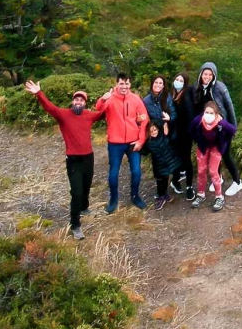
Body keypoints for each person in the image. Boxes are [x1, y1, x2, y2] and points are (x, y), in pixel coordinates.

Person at [24, 80, 103, 240]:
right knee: (76, 192)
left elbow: (103, 113)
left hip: (89, 158)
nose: (78, 101)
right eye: (76, 99)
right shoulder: (64, 114)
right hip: (73, 161)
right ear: (72, 101)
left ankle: (84, 207)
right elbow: (49, 107)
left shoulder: (89, 115)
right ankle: (75, 225)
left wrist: (110, 97)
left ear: (85, 103)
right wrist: (39, 93)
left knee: (86, 186)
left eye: (81, 100)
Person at [95, 72, 150, 211]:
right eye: (121, 83)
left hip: (133, 142)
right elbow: (98, 110)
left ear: (130, 84)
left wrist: (141, 140)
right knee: (114, 172)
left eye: (126, 83)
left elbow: (145, 120)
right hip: (115, 143)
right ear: (117, 84)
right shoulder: (110, 98)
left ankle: (135, 196)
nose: (124, 86)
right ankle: (113, 200)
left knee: (136, 171)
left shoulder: (136, 99)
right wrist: (102, 99)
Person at [196, 62, 242, 196]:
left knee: (226, 154)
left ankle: (237, 182)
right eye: (205, 74)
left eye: (210, 74)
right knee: (214, 153)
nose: (207, 76)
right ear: (201, 74)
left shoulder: (219, 87)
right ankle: (219, 177)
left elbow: (229, 107)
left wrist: (233, 127)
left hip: (223, 127)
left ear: (214, 75)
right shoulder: (199, 88)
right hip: (209, 128)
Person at [190, 100, 236, 211]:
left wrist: (223, 143)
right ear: (203, 112)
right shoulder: (199, 120)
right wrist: (198, 139)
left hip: (216, 147)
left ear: (216, 114)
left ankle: (219, 196)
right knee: (201, 170)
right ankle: (201, 194)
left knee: (213, 171)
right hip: (203, 146)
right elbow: (190, 130)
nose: (208, 115)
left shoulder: (221, 123)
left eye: (211, 113)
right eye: (207, 112)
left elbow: (232, 130)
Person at [169, 71, 199, 200]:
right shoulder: (171, 94)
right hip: (173, 133)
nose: (178, 82)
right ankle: (175, 180)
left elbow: (191, 115)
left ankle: (189, 186)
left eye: (181, 81)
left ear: (185, 83)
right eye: (177, 79)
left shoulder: (186, 96)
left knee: (186, 160)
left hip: (186, 134)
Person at [143, 119, 182, 210]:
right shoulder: (149, 143)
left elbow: (172, 138)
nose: (153, 132)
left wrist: (166, 126)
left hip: (168, 163)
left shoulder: (164, 136)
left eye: (155, 130)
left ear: (158, 129)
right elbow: (144, 152)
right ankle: (161, 197)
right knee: (160, 182)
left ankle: (165, 194)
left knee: (165, 179)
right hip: (158, 166)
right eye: (151, 131)